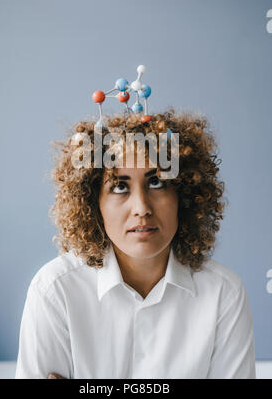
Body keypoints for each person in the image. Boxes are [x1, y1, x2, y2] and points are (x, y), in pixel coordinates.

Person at [15, 108, 256, 379]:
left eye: (157, 182)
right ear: (94, 202)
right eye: (119, 186)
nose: (141, 207)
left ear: (184, 195)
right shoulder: (55, 290)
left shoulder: (223, 294)